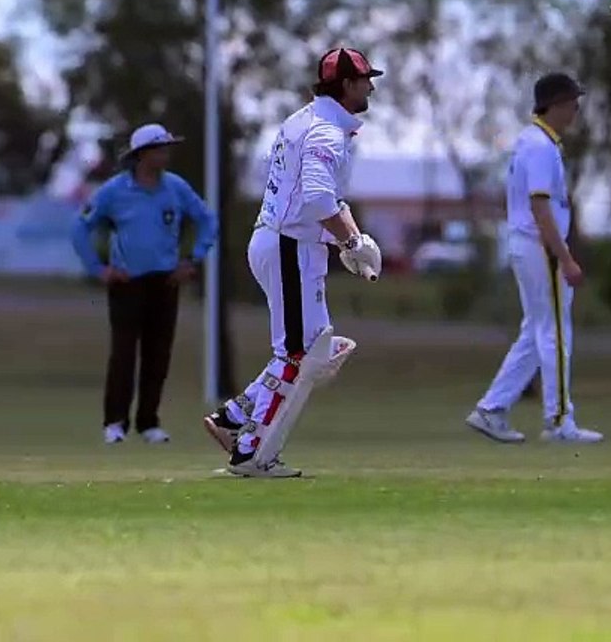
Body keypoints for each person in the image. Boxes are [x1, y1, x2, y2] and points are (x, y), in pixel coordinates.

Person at [203, 48, 384, 478]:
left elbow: (319, 199)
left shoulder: (302, 121)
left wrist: (348, 242)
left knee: (314, 346)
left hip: (285, 242)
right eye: (364, 80)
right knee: (301, 353)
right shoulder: (325, 132)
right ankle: (250, 451)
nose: (371, 87)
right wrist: (352, 242)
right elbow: (318, 199)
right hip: (289, 247)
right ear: (346, 85)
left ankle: (235, 416)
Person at [463, 72, 603, 444]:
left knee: (535, 332)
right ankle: (558, 421)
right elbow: (540, 207)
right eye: (572, 101)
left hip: (527, 245)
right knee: (555, 332)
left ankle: (491, 410)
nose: (576, 108)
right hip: (540, 247)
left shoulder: (533, 141)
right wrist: (566, 257)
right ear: (555, 104)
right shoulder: (540, 146)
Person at [71, 123, 218, 445]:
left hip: (165, 281)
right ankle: (114, 423)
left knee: (158, 354)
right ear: (142, 155)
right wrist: (99, 269)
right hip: (127, 282)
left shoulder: (176, 187)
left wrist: (192, 259)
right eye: (160, 148)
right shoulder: (114, 191)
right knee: (123, 354)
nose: (166, 153)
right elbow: (81, 228)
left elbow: (207, 219)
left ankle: (148, 422)